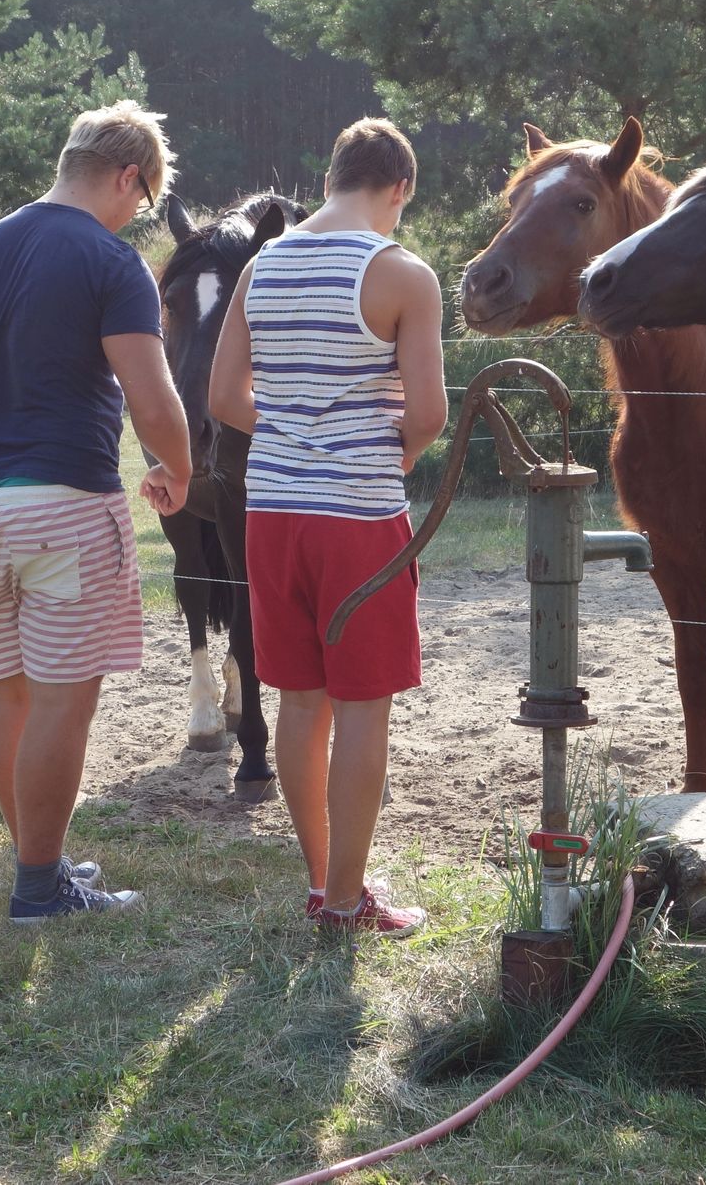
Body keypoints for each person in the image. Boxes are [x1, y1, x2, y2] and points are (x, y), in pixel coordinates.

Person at [0, 100, 192, 923]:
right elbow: (152, 400)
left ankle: (32, 861)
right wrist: (177, 469)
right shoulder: (111, 265)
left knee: (8, 695)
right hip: (63, 505)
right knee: (62, 701)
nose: (138, 216)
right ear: (126, 177)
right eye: (143, 201)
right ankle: (40, 889)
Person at [210, 118, 446, 940]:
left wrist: (290, 431)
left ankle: (320, 885)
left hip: (272, 513)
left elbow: (223, 399)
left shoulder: (261, 265)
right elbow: (430, 412)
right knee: (364, 707)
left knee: (300, 702)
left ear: (332, 175)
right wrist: (397, 454)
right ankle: (348, 902)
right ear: (399, 189)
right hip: (358, 518)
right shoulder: (402, 275)